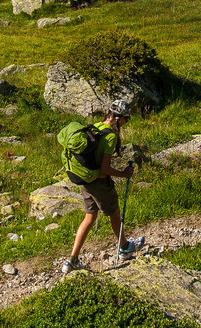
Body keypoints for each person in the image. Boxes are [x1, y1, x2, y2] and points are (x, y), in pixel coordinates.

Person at [61, 99, 142, 272]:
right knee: (114, 214)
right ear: (120, 118)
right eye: (126, 119)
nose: (126, 123)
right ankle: (125, 248)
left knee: (89, 217)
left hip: (85, 180)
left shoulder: (96, 126)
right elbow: (104, 168)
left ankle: (72, 260)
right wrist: (124, 173)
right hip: (99, 183)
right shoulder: (110, 136)